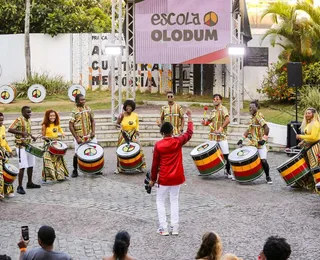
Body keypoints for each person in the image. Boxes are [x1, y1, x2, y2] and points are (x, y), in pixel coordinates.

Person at [149, 109, 193, 236]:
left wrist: (152, 179)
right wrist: (189, 117)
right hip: (177, 177)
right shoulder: (178, 142)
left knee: (160, 200)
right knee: (174, 200)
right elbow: (189, 133)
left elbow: (155, 164)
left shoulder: (158, 145)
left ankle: (163, 227)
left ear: (162, 132)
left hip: (164, 178)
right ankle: (175, 227)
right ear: (172, 131)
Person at [237, 100, 273, 184]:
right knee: (244, 157)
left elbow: (267, 128)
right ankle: (245, 175)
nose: (250, 109)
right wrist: (241, 139)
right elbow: (248, 129)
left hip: (260, 144)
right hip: (253, 144)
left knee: (263, 160)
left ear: (257, 108)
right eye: (249, 107)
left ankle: (268, 176)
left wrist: (263, 140)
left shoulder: (259, 116)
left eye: (252, 107)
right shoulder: (252, 118)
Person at [8, 106, 40, 195]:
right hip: (20, 146)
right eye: (28, 112)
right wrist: (21, 133)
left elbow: (26, 131)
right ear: (22, 113)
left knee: (31, 165)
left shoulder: (29, 120)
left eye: (30, 112)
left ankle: (29, 183)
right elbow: (10, 129)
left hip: (28, 145)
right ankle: (19, 186)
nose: (30, 114)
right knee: (22, 166)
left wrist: (32, 136)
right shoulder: (18, 120)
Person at [201, 94, 232, 179]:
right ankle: (205, 171)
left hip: (221, 136)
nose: (215, 100)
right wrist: (204, 123)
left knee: (226, 155)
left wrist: (221, 129)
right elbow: (208, 122)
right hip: (213, 137)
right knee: (207, 154)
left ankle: (228, 171)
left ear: (220, 100)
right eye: (214, 99)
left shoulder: (223, 109)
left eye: (217, 99)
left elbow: (228, 120)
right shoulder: (212, 111)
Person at [115, 99, 146, 174]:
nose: (129, 108)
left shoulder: (135, 115)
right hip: (123, 134)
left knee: (139, 149)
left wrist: (137, 131)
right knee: (120, 150)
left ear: (133, 107)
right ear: (125, 107)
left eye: (130, 107)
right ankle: (119, 168)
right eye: (127, 106)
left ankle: (140, 166)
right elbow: (116, 124)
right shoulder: (121, 115)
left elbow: (137, 124)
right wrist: (120, 127)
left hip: (133, 134)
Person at [69, 94, 96, 177]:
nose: (83, 101)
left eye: (84, 99)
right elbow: (70, 125)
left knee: (94, 151)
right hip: (80, 136)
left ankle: (95, 169)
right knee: (77, 153)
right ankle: (75, 170)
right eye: (81, 100)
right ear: (77, 101)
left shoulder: (88, 109)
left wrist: (93, 132)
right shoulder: (74, 111)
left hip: (89, 135)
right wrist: (76, 137)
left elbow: (92, 121)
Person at [295, 107, 320, 191]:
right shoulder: (309, 124)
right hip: (309, 147)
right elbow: (309, 137)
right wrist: (303, 141)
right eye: (306, 113)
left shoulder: (315, 124)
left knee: (314, 167)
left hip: (315, 147)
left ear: (313, 114)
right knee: (309, 166)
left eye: (309, 113)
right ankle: (310, 185)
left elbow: (314, 137)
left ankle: (316, 187)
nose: (306, 115)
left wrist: (301, 136)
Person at [41, 109, 69, 182]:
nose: (52, 117)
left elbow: (59, 129)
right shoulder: (44, 125)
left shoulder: (57, 124)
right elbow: (43, 136)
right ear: (47, 116)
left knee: (58, 160)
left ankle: (60, 176)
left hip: (56, 143)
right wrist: (48, 139)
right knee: (48, 160)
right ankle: (49, 177)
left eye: (54, 115)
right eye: (50, 116)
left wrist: (62, 133)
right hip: (48, 144)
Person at [0, 113, 14, 199]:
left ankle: (7, 191)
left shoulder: (3, 127)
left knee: (8, 172)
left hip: (3, 152)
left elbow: (4, 141)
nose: (1, 122)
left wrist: (9, 150)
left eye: (2, 120)